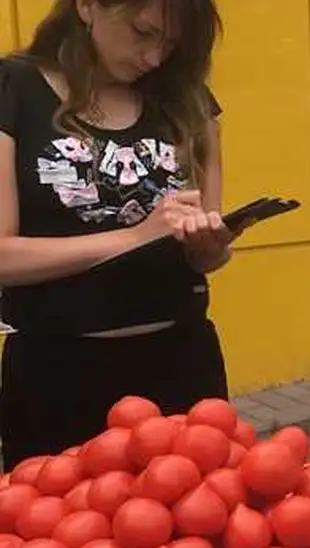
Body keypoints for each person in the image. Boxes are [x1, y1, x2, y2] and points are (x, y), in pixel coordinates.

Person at [0, 0, 230, 468]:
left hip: (182, 363)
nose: (154, 58)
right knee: (61, 536)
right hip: (59, 374)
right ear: (87, 6)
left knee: (198, 533)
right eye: (143, 32)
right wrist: (134, 236)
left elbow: (204, 254)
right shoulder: (14, 88)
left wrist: (209, 246)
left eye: (170, 43)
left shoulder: (186, 99)